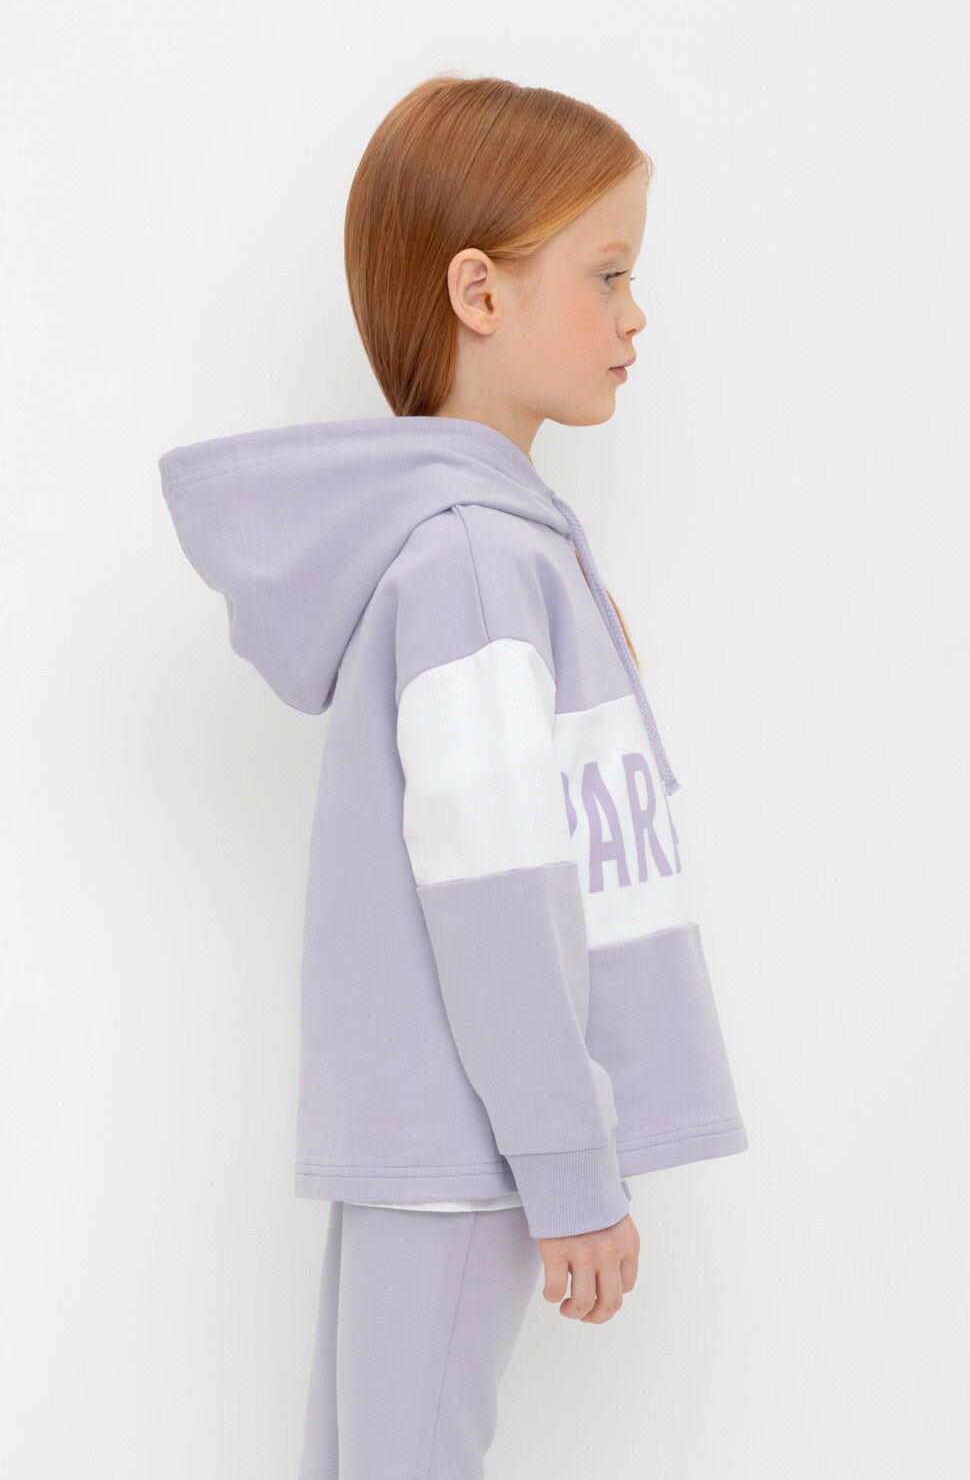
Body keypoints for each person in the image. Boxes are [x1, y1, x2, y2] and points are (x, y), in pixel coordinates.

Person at [158, 72, 749, 1479]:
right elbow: (498, 900)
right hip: (466, 1135)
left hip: (442, 1128)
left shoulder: (490, 545)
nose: (635, 315)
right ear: (480, 291)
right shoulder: (477, 560)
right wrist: (569, 1164)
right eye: (608, 272)